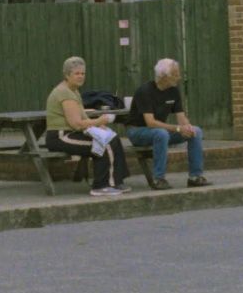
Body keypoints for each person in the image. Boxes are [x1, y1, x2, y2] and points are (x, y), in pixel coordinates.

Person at [44, 56, 130, 196]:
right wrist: (98, 121)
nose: (80, 76)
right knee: (104, 143)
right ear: (67, 75)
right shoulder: (64, 92)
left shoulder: (74, 91)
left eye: (83, 73)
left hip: (71, 133)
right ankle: (100, 186)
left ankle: (116, 181)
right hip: (60, 137)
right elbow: (76, 124)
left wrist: (98, 127)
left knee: (113, 138)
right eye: (76, 73)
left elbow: (83, 117)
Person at [127, 58, 210, 189]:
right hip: (138, 132)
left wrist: (187, 126)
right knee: (161, 134)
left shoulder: (173, 91)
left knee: (196, 131)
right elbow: (150, 123)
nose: (179, 77)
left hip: (159, 131)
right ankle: (159, 179)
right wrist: (177, 129)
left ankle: (195, 177)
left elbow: (181, 117)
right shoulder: (145, 91)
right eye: (175, 74)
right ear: (164, 76)